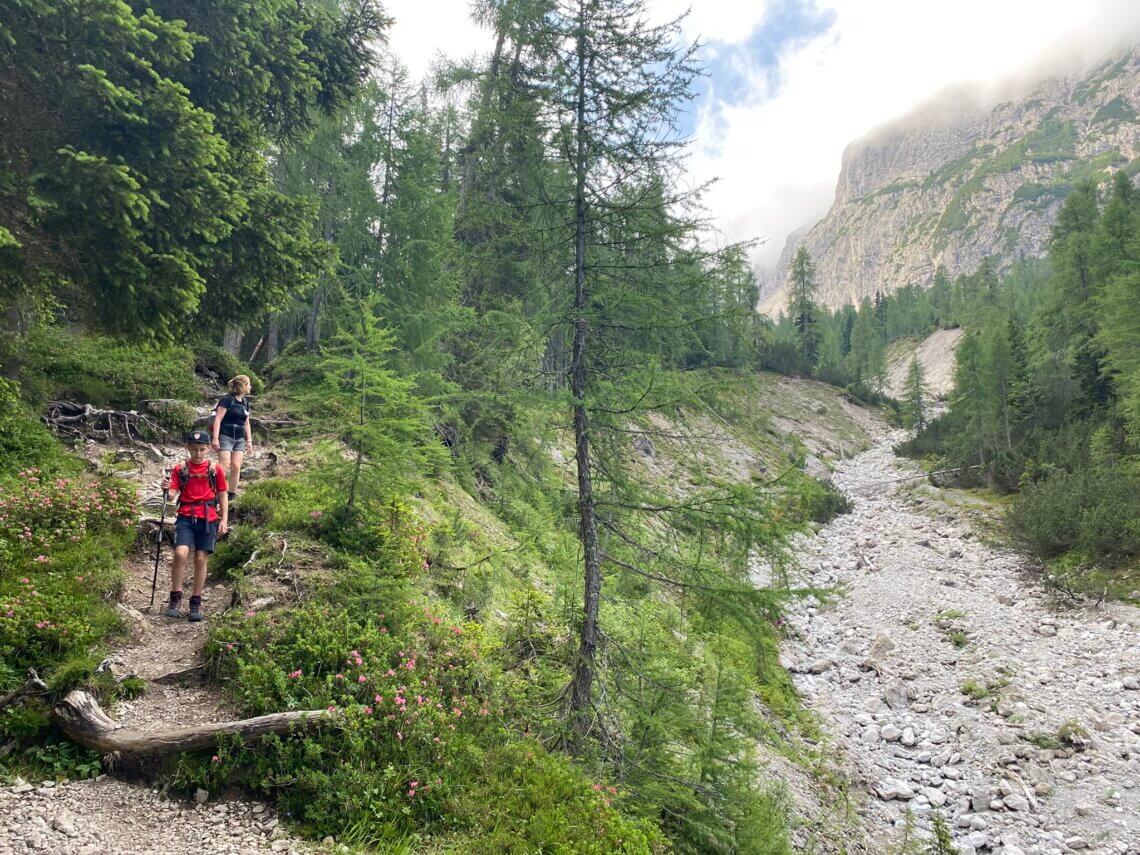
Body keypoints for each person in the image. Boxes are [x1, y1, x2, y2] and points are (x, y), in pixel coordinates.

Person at [164, 430, 228, 621]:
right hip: (185, 516)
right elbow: (173, 494)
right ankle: (175, 597)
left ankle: (196, 602)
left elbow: (223, 494)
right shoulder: (180, 469)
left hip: (208, 517)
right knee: (180, 553)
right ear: (188, 448)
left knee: (201, 558)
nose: (198, 454)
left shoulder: (215, 469)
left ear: (208, 448)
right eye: (194, 450)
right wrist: (167, 490)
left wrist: (224, 519)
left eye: (201, 449)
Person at [212, 374, 253, 502]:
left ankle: (232, 493)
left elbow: (246, 423)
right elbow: (218, 419)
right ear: (244, 386)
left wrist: (249, 441)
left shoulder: (246, 403)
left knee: (236, 465)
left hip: (239, 438)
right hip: (225, 435)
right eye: (249, 384)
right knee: (224, 465)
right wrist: (215, 438)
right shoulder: (227, 399)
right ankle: (217, 493)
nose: (250, 387)